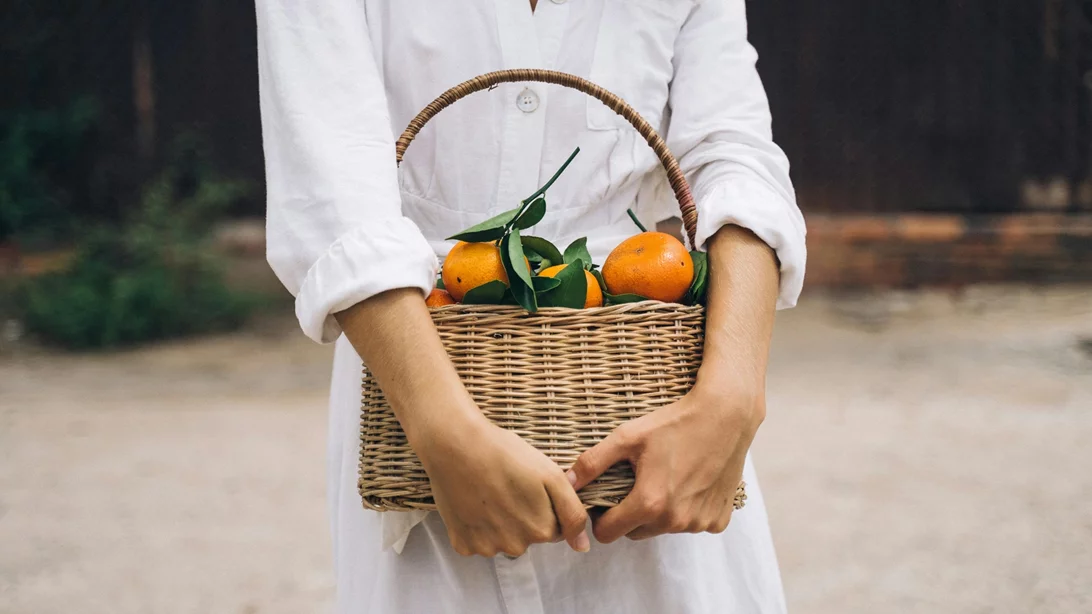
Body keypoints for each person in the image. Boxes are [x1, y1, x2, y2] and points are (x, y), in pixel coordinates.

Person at [256, 0, 806, 611]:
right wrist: (443, 429)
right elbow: (333, 182)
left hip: (652, 406)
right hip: (416, 386)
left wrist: (734, 398)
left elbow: (735, 154)